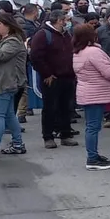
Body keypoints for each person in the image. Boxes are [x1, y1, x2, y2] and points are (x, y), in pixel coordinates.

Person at [72, 23, 110, 170]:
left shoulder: (78, 52)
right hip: (96, 93)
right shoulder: (94, 52)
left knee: (92, 126)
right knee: (93, 127)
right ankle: (92, 158)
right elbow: (109, 72)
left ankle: (93, 155)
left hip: (86, 92)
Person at [29, 10, 78, 149]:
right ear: (58, 20)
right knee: (50, 108)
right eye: (65, 20)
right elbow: (35, 56)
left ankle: (65, 135)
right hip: (51, 78)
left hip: (68, 77)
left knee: (66, 108)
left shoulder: (66, 34)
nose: (68, 23)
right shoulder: (43, 34)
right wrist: (47, 74)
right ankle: (48, 137)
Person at [0, 14, 27, 158]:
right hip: (5, 82)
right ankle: (18, 144)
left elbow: (1, 55)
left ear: (8, 25)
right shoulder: (3, 40)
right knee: (9, 115)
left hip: (6, 83)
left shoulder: (13, 41)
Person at [14, 4, 40, 125]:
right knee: (23, 84)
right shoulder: (27, 25)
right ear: (35, 12)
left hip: (23, 58)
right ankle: (22, 112)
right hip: (24, 58)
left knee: (24, 84)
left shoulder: (31, 23)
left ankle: (23, 110)